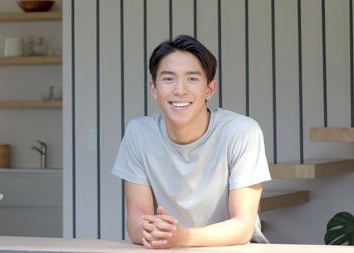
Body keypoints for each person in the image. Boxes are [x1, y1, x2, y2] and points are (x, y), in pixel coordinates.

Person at [112, 35, 271, 249]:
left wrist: (182, 238)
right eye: (168, 79)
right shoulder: (139, 133)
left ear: (209, 89)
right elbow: (136, 221)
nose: (180, 90)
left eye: (192, 79)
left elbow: (242, 226)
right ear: (154, 89)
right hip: (167, 248)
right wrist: (157, 232)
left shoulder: (242, 132)